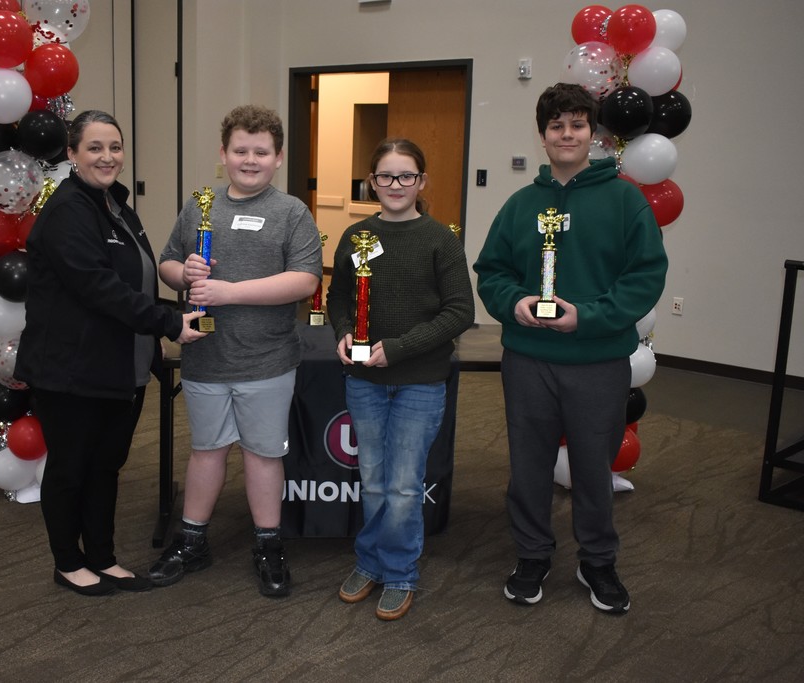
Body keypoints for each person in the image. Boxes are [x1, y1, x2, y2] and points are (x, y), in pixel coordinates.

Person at [473, 83, 668, 614]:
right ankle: (532, 555)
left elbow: (645, 275)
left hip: (598, 361)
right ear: (542, 136)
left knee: (592, 467)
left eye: (577, 125)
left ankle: (597, 561)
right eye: (556, 126)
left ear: (592, 133)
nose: (566, 134)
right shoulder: (520, 205)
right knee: (529, 464)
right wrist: (512, 303)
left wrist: (590, 317)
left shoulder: (624, 199)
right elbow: (491, 271)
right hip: (529, 360)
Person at [15, 110, 207, 596]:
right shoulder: (68, 211)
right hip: (72, 370)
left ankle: (102, 556)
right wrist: (167, 321)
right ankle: (68, 562)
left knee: (105, 467)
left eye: (115, 147)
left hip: (122, 367)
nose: (108, 156)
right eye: (95, 147)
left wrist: (174, 311)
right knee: (70, 469)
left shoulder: (115, 204)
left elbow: (132, 283)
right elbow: (96, 287)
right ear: (72, 154)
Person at [151, 104, 323, 597]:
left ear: (278, 157)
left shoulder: (291, 212)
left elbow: (304, 280)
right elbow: (166, 261)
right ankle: (192, 540)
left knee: (263, 455)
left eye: (261, 152)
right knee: (206, 450)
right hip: (205, 357)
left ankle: (269, 544)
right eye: (240, 150)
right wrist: (181, 274)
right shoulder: (199, 205)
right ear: (222, 154)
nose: (250, 160)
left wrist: (228, 291)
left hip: (266, 360)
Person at [326, 138, 474, 620]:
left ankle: (400, 572)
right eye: (386, 176)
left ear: (421, 182)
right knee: (372, 481)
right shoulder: (355, 237)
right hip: (363, 380)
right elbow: (340, 298)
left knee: (405, 486)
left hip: (420, 382)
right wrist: (346, 332)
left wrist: (400, 348)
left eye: (405, 176)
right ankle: (369, 563)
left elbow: (460, 313)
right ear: (372, 181)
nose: (395, 185)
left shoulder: (440, 239)